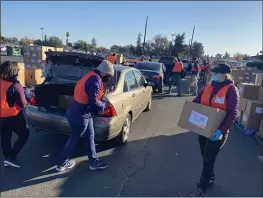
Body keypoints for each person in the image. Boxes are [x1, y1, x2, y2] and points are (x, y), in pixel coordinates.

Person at [190, 63, 239, 197]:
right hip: (204, 128)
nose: (213, 75)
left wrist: (221, 131)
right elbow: (197, 100)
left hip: (218, 132)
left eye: (216, 73)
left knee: (208, 159)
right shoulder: (207, 86)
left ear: (225, 74)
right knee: (204, 155)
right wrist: (189, 109)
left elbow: (232, 113)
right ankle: (210, 176)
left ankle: (202, 188)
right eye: (213, 73)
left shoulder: (231, 90)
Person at [56, 60, 115, 172]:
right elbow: (93, 101)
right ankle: (61, 163)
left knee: (90, 136)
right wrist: (102, 105)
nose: (108, 78)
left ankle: (93, 162)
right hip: (81, 116)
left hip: (78, 112)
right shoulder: (96, 81)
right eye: (108, 76)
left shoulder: (90, 75)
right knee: (74, 139)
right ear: (103, 73)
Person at [0, 61, 29, 168]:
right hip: (14, 116)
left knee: (5, 136)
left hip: (1, 117)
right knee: (24, 134)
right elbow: (23, 103)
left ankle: (7, 157)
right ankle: (11, 157)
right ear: (14, 72)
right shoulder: (16, 86)